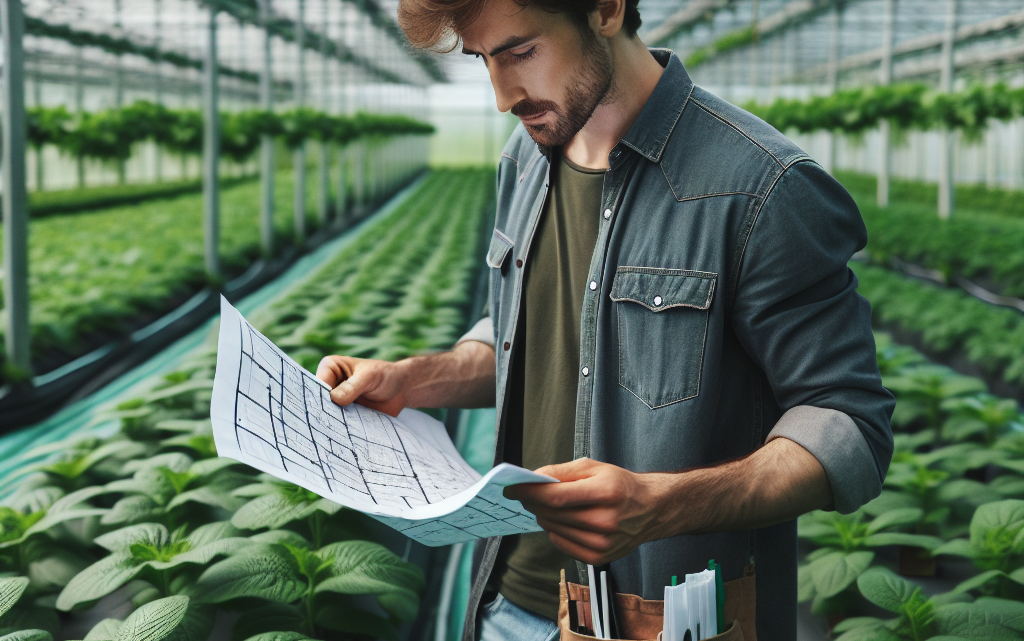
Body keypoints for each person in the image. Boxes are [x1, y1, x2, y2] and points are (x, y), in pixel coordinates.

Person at [315, 0, 896, 638]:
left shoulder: (760, 186)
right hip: (505, 602)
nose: (503, 95)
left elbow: (849, 425)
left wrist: (663, 506)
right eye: (484, 60)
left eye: (519, 52)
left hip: (657, 615)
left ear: (606, 10)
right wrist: (413, 380)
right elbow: (517, 338)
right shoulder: (526, 160)